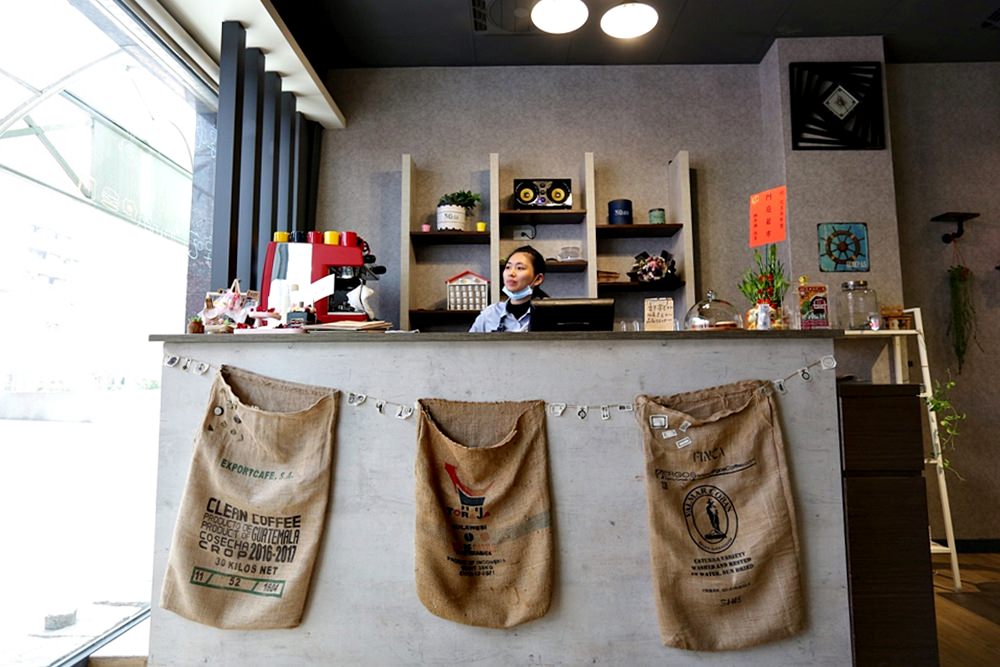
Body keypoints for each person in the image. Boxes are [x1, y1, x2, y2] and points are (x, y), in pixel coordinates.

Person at [469, 245, 547, 332]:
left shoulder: (549, 315)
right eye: (508, 267)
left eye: (519, 268)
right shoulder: (490, 314)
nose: (511, 273)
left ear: (538, 279)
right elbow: (468, 345)